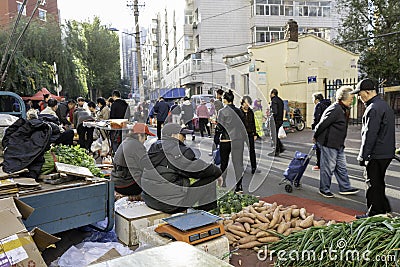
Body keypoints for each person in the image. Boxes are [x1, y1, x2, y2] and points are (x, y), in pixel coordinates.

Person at [141, 123, 222, 214]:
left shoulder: (154, 146)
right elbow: (201, 170)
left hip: (149, 199)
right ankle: (204, 216)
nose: (184, 137)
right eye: (182, 135)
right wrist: (218, 173)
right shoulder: (180, 151)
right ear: (173, 135)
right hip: (170, 205)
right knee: (211, 179)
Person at [350, 79, 395, 218]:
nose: (359, 97)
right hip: (386, 152)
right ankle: (384, 209)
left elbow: (370, 134)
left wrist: (363, 155)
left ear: (368, 92)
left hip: (376, 153)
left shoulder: (373, 108)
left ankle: (373, 213)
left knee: (372, 183)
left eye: (360, 93)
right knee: (378, 182)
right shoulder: (383, 105)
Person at [313, 86, 359, 198]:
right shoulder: (335, 109)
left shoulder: (344, 109)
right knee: (328, 167)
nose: (352, 100)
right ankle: (324, 189)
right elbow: (321, 124)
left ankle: (345, 187)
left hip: (338, 144)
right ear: (344, 98)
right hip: (329, 143)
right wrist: (315, 136)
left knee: (341, 167)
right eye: (351, 98)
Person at [111, 123, 156, 201]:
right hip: (126, 185)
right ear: (139, 135)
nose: (146, 139)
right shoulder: (137, 145)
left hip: (116, 182)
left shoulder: (126, 141)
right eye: (146, 136)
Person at [215, 90, 246, 191]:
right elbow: (243, 127)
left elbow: (219, 128)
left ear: (224, 100)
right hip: (238, 140)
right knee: (238, 164)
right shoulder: (239, 111)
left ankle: (223, 182)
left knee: (224, 162)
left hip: (225, 140)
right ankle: (239, 186)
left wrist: (216, 138)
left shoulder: (222, 112)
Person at [311, 93, 331, 171]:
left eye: (313, 99)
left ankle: (319, 164)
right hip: (327, 129)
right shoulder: (328, 105)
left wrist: (314, 129)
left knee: (318, 147)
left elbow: (317, 119)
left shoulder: (319, 105)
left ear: (317, 99)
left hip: (320, 129)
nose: (313, 101)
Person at [240, 96, 260, 174]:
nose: (247, 104)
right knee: (240, 151)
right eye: (245, 102)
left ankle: (254, 167)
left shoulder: (251, 112)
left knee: (252, 150)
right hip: (241, 135)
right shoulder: (239, 112)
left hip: (250, 133)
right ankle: (240, 167)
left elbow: (253, 123)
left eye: (248, 103)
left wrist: (255, 134)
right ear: (242, 103)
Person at [269, 88, 285, 156]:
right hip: (280, 120)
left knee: (274, 135)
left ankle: (277, 150)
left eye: (270, 93)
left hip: (275, 121)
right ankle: (280, 148)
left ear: (273, 93)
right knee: (275, 135)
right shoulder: (280, 100)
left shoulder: (274, 101)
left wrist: (271, 118)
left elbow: (274, 112)